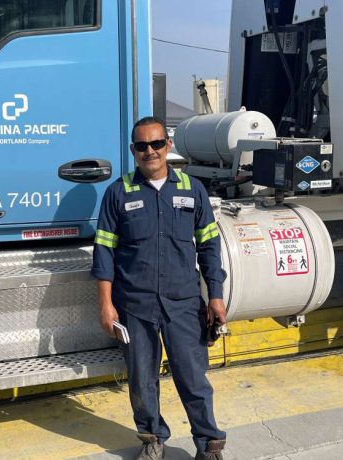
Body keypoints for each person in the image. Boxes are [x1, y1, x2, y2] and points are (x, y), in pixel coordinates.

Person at [91, 116, 227, 460]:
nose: (149, 151)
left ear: (168, 145)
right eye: (141, 146)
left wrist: (215, 296)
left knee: (194, 378)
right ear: (133, 151)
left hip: (183, 303)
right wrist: (105, 304)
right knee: (141, 379)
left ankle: (209, 444)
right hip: (135, 305)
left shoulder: (191, 189)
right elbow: (104, 250)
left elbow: (210, 247)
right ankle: (152, 439)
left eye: (156, 144)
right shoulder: (118, 192)